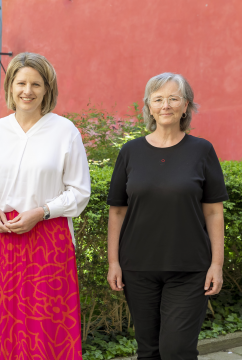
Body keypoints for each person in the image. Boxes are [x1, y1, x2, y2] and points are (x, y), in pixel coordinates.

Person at [0, 52, 91, 359]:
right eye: (21, 82)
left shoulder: (65, 132)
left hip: (49, 239)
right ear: (10, 87)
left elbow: (80, 191)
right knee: (1, 323)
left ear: (47, 89)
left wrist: (41, 211)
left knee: (46, 325)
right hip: (2, 237)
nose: (28, 90)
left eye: (36, 84)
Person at [107, 73, 228, 360]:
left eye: (174, 98)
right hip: (138, 268)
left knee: (177, 350)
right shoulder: (130, 151)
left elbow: (213, 211)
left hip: (189, 269)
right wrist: (114, 261)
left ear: (186, 106)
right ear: (148, 106)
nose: (166, 105)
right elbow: (117, 211)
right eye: (158, 99)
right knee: (148, 351)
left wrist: (217, 264)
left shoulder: (202, 150)